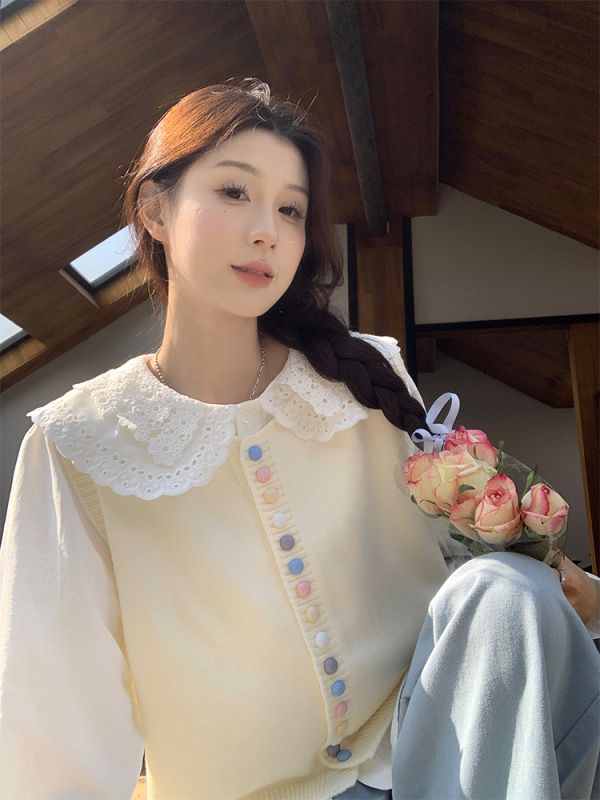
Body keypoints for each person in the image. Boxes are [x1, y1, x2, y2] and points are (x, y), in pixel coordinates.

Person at [0, 78, 598, 800]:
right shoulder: (79, 443)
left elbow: (469, 578)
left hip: (436, 760)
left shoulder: (363, 377)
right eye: (234, 192)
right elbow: (53, 708)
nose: (268, 231)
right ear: (155, 209)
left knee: (506, 588)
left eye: (291, 209)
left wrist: (573, 588)